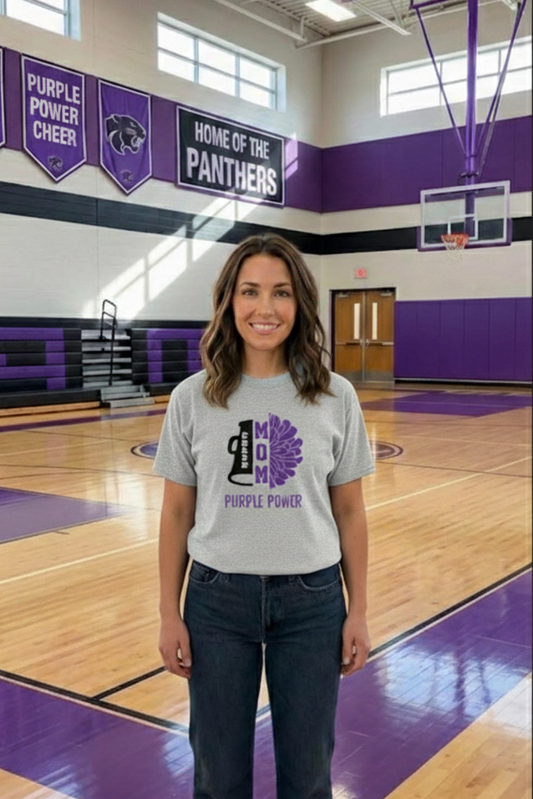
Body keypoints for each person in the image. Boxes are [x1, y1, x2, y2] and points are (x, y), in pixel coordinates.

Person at [154, 233, 375, 799]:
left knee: (307, 780)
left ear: (299, 304)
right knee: (219, 779)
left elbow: (349, 511)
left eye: (281, 293)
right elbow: (177, 513)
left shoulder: (336, 396)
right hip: (215, 603)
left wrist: (360, 611)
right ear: (229, 301)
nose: (265, 308)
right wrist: (167, 613)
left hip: (313, 605)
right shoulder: (192, 398)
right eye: (250, 291)